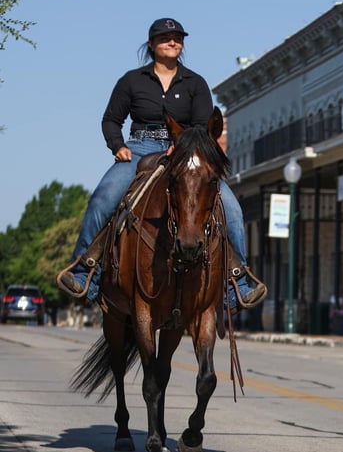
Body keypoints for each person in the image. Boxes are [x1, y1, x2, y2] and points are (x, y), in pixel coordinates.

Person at [59, 17, 260, 310]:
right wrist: (118, 147)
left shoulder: (195, 83)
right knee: (103, 197)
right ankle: (84, 271)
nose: (173, 41)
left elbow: (202, 127)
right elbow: (111, 120)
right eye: (165, 37)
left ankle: (236, 282)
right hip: (139, 150)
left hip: (183, 153)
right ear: (151, 44)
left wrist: (182, 146)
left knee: (231, 208)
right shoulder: (132, 80)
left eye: (178, 37)